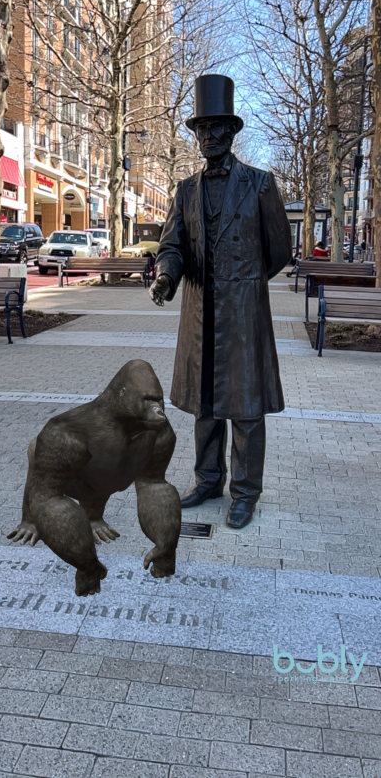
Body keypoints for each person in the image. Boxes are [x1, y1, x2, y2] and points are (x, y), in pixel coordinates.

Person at [149, 74, 292, 529]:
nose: (209, 137)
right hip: (198, 313)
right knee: (205, 405)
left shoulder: (261, 185)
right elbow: (172, 245)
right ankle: (208, 479)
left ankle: (245, 492)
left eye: (218, 128)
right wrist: (166, 277)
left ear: (232, 132)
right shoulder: (185, 190)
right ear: (195, 135)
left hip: (244, 313)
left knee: (246, 408)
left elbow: (279, 252)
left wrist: (242, 282)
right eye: (202, 129)